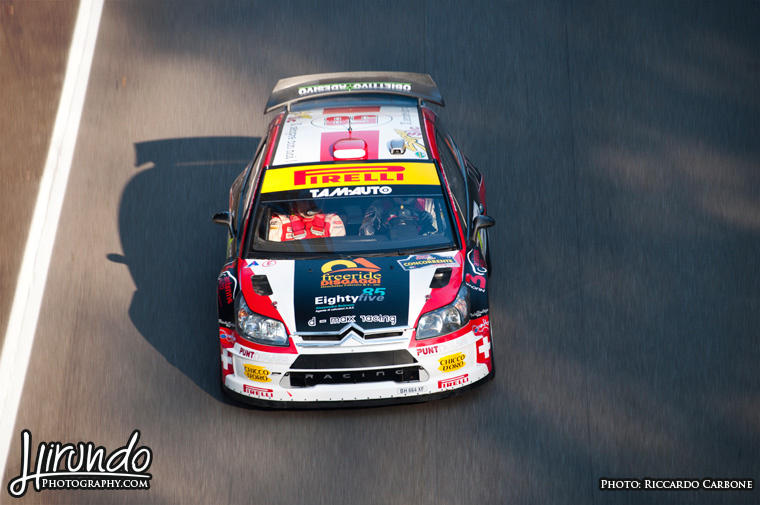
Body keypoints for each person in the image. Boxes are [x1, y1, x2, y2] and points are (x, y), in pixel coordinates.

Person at [268, 200, 345, 241]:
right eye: (304, 200)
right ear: (295, 202)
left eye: (314, 199)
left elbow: (339, 252)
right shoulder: (281, 221)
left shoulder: (332, 220)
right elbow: (271, 256)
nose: (309, 204)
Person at [359, 197, 436, 236]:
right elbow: (364, 233)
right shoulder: (378, 205)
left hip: (422, 246)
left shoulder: (429, 203)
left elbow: (441, 229)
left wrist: (431, 221)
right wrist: (375, 225)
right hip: (387, 247)